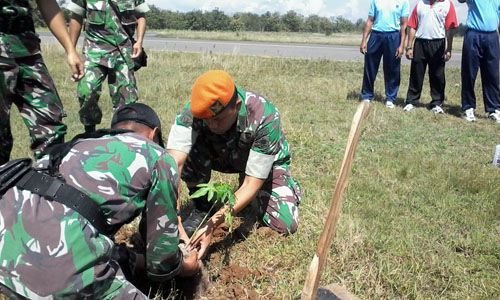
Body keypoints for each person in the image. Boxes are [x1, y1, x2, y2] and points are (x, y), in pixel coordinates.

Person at [0, 103, 200, 299]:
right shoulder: (158, 156)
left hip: (5, 262)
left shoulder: (78, 144)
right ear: (154, 133)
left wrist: (134, 259)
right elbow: (160, 261)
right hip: (58, 276)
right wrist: (184, 266)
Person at [166, 70, 302, 259]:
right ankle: (202, 206)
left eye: (217, 119)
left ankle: (288, 188)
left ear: (236, 106)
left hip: (263, 164)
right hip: (222, 156)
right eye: (206, 120)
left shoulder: (264, 116)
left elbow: (250, 184)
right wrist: (174, 215)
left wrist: (211, 225)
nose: (211, 125)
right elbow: (172, 165)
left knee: (284, 223)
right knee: (186, 149)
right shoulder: (194, 111)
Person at [0, 0, 84, 165]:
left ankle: (50, 177)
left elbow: (47, 3)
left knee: (50, 122)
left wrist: (70, 50)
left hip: (26, 48)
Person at [67, 0, 150, 133]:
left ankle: (122, 135)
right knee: (87, 91)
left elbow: (141, 16)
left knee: (127, 101)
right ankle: (90, 131)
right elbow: (76, 17)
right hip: (94, 52)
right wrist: (71, 50)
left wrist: (139, 41)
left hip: (122, 52)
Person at [403, 0, 458, 114]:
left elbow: (450, 28)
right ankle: (411, 101)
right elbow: (412, 26)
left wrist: (449, 48)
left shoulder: (447, 4)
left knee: (437, 75)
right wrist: (409, 47)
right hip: (420, 43)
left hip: (438, 43)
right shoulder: (420, 4)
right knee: (416, 73)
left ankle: (437, 103)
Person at [360, 0, 410, 109]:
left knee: (392, 68)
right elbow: (370, 20)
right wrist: (364, 40)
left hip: (393, 35)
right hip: (376, 35)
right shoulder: (375, 1)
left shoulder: (404, 2)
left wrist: (402, 45)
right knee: (370, 66)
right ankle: (367, 95)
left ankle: (390, 98)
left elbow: (404, 24)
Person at [458, 0, 500, 123]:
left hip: (492, 36)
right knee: (469, 73)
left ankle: (494, 109)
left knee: (492, 75)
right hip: (474, 35)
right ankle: (468, 107)